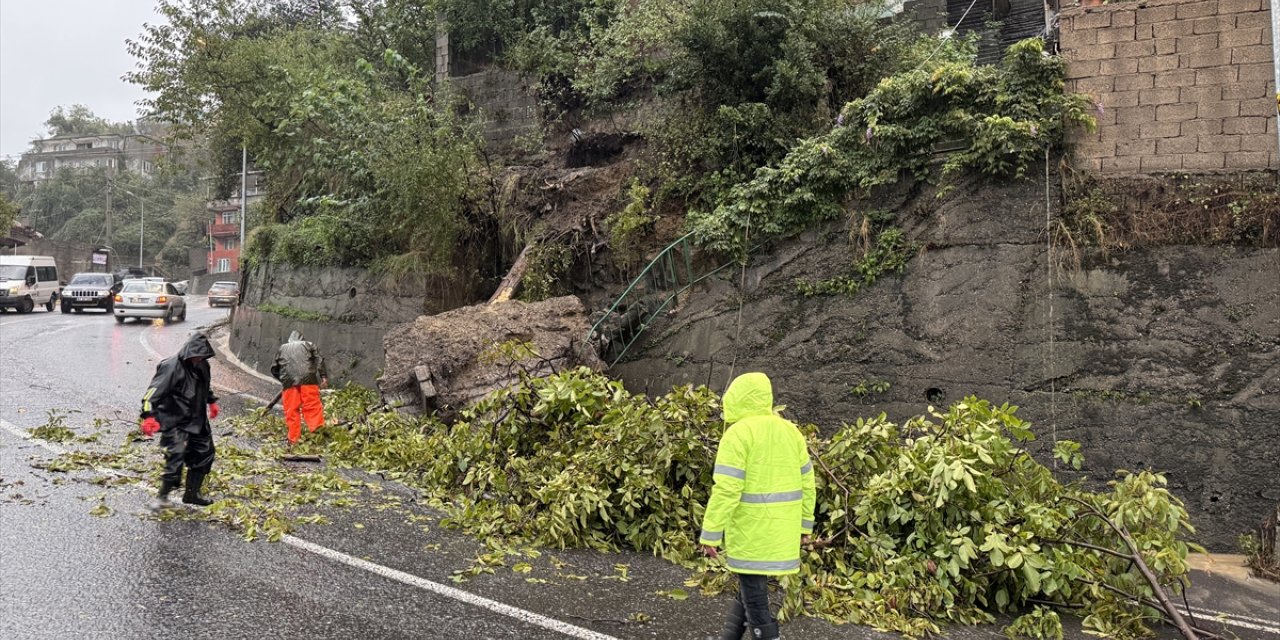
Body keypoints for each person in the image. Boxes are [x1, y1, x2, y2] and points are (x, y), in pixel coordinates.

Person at [699, 372, 815, 640]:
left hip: (752, 533)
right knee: (748, 590)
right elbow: (808, 483)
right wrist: (804, 525)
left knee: (757, 606)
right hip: (782, 535)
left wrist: (710, 534)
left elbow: (727, 489)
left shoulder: (738, 434)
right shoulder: (790, 431)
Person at [139, 333, 220, 509]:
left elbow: (204, 386)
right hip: (175, 419)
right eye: (196, 355)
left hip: (197, 420)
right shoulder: (171, 367)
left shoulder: (202, 366)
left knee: (204, 454)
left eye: (201, 355)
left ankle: (192, 494)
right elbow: (151, 394)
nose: (198, 358)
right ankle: (162, 497)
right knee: (175, 457)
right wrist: (148, 416)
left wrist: (211, 401)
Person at [271, 330, 328, 445]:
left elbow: (274, 368)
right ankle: (317, 433)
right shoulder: (309, 344)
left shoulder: (282, 348)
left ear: (290, 340)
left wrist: (284, 379)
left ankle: (293, 439)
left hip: (288, 381)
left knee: (291, 410)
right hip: (308, 379)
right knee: (312, 405)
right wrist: (323, 376)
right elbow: (319, 360)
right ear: (302, 339)